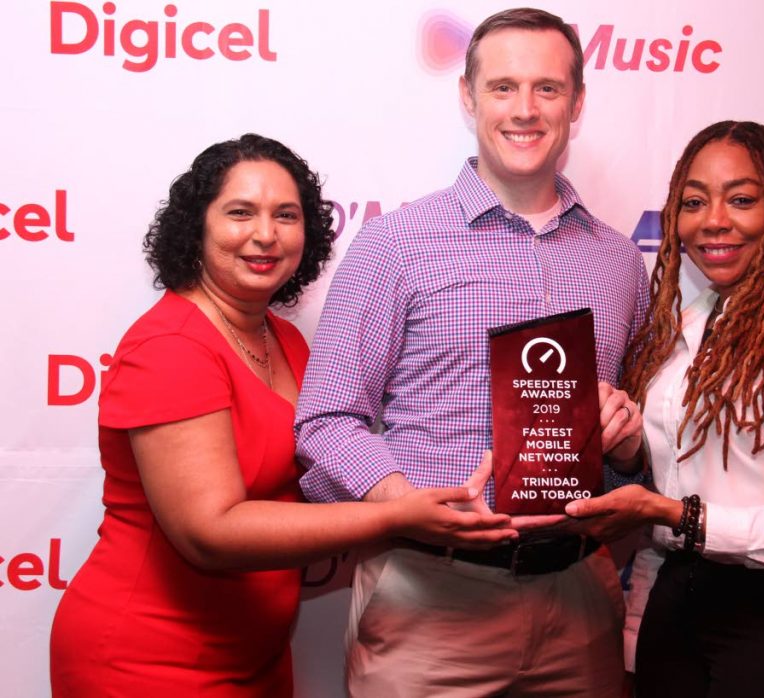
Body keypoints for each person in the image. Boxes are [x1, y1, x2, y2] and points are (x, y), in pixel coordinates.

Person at [49, 134, 512, 697]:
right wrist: (396, 514)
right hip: (146, 657)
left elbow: (327, 457)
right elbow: (209, 533)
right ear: (197, 226)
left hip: (256, 654)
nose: (265, 234)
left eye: (285, 215)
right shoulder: (169, 346)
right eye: (240, 212)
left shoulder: (285, 338)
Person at [295, 8, 649, 696]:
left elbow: (631, 441)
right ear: (468, 97)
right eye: (503, 87)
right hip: (430, 600)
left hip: (580, 598)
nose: (525, 109)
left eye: (547, 89)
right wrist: (403, 502)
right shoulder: (394, 244)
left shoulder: (618, 262)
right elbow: (325, 420)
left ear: (577, 104)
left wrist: (630, 444)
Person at [564, 121, 764, 697]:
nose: (714, 220)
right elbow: (686, 466)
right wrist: (626, 447)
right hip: (681, 606)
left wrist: (674, 515)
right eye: (694, 202)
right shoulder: (686, 323)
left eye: (741, 199)